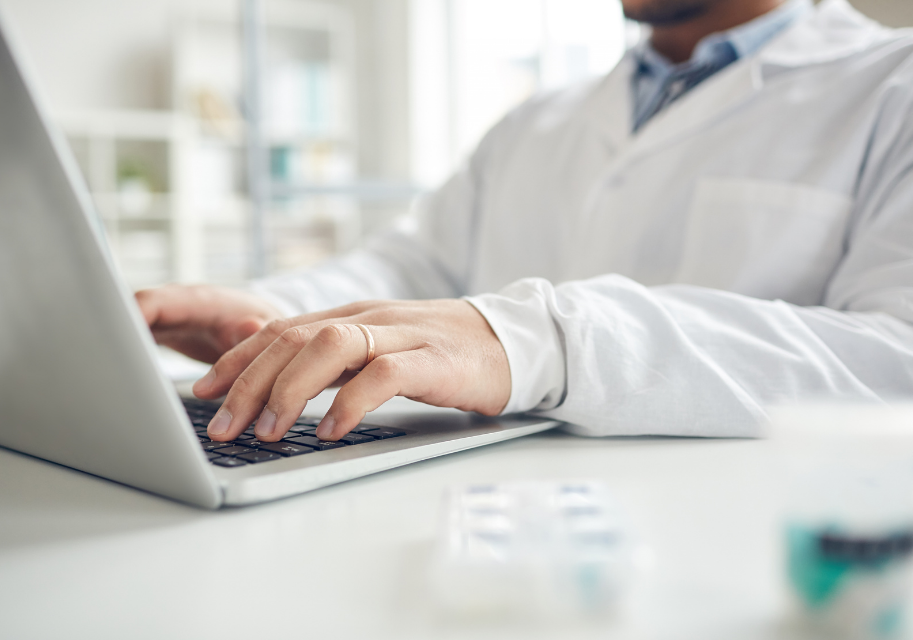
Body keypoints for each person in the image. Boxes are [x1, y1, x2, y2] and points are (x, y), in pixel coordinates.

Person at [138, 0, 913, 445]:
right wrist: (280, 318)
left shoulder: (892, 85)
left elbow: (897, 358)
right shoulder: (540, 119)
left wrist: (544, 340)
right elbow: (417, 266)